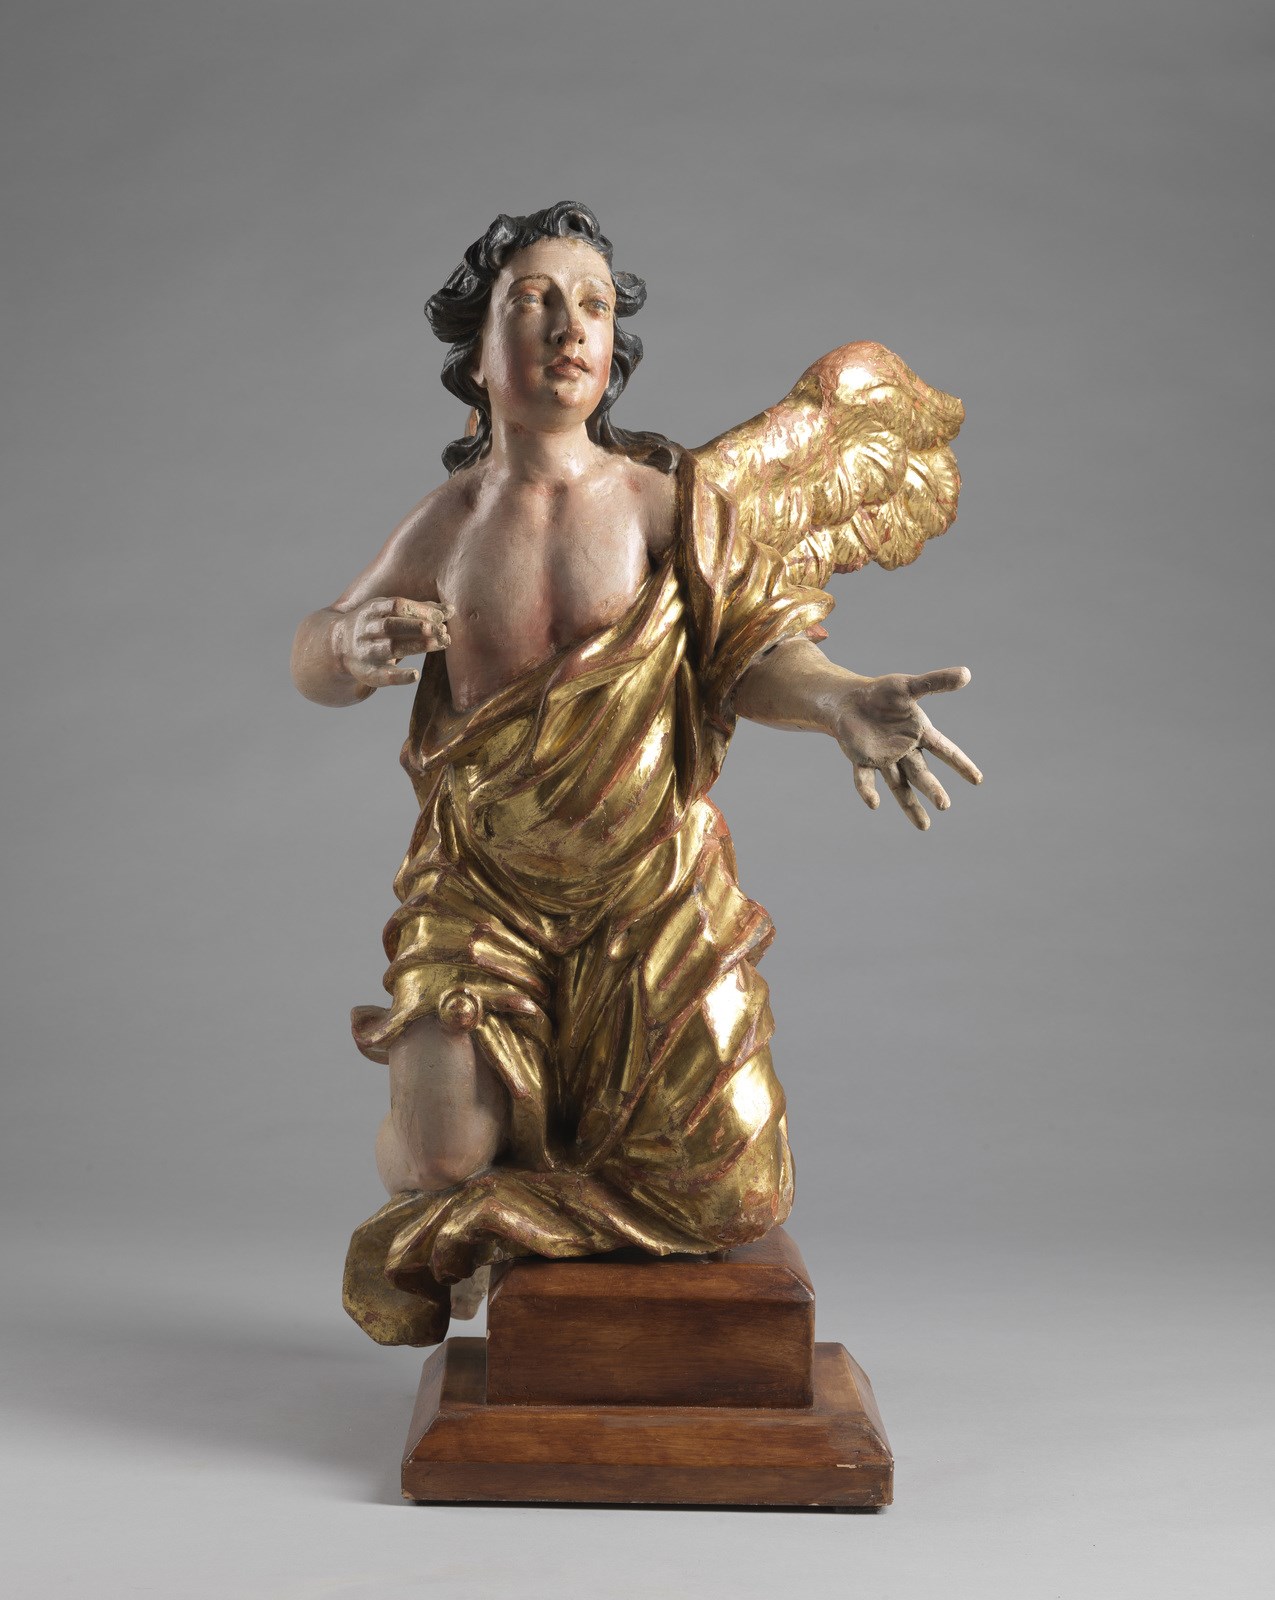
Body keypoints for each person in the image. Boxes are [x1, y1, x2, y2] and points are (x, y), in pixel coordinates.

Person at [291, 203, 981, 1345]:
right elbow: (316, 650)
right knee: (439, 1154)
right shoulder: (451, 520)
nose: (568, 326)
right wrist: (348, 648)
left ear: (612, 352)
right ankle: (456, 1169)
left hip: (652, 895)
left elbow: (752, 649)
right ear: (477, 354)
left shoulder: (666, 505)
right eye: (534, 301)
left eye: (594, 306)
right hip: (483, 894)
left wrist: (842, 701)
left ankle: (527, 1204)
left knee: (736, 1195)